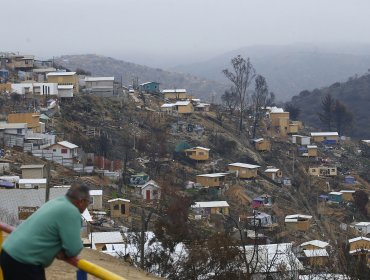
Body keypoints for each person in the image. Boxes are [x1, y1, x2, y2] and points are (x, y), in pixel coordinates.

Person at [0, 183, 90, 280]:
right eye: (88, 202)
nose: (87, 206)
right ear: (82, 201)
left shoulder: (57, 201)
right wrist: (61, 252)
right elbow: (73, 249)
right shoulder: (71, 211)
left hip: (8, 253)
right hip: (24, 261)